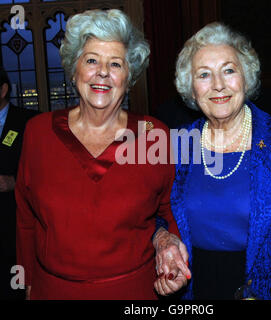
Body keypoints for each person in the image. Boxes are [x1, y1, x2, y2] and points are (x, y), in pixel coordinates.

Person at [155, 22, 271, 300]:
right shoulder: (174, 146)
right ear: (191, 89)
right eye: (204, 74)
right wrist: (162, 241)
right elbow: (152, 216)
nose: (218, 85)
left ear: (246, 77)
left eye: (229, 70)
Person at [15, 9, 190, 300]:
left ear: (129, 76)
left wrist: (171, 255)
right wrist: (27, 282)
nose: (103, 72)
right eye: (92, 60)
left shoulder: (154, 134)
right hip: (53, 291)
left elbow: (172, 212)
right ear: (74, 69)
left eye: (116, 64)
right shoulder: (37, 133)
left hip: (134, 294)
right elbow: (24, 218)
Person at [0, 68, 39, 300]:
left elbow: (49, 171)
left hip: (16, 226)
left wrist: (15, 181)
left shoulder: (31, 123)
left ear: (3, 90)